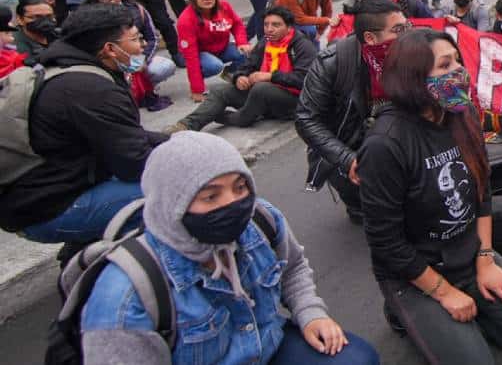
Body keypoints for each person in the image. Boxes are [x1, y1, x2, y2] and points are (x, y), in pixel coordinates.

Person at [80, 131, 380, 365]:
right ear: (174, 205)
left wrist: (311, 312)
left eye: (240, 187)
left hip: (265, 346)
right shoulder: (125, 299)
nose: (233, 204)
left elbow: (293, 268)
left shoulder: (260, 220)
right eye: (211, 197)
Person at [359, 28, 502, 361]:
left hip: (468, 254)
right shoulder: (384, 145)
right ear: (413, 79)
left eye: (458, 61)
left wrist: (486, 259)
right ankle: (402, 309)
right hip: (415, 269)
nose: (459, 71)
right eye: (445, 66)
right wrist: (444, 293)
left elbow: (482, 189)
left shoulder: (463, 114)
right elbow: (385, 242)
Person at [0, 4, 168, 243]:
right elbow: (134, 162)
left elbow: (126, 136)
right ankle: (117, 261)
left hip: (36, 197)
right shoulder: (91, 89)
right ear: (110, 49)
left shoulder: (65, 65)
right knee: (182, 190)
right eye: (136, 38)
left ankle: (85, 242)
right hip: (48, 209)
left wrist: (177, 142)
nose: (142, 45)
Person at [295, 0, 408, 224]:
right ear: (370, 37)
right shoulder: (333, 62)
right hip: (349, 146)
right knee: (373, 215)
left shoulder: (409, 54)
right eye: (398, 30)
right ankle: (358, 202)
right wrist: (348, 159)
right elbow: (306, 119)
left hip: (394, 139)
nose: (405, 35)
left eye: (407, 27)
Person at [168, 7, 316, 133]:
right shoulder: (266, 41)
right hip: (261, 98)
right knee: (221, 90)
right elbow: (247, 65)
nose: (269, 29)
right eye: (266, 25)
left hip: (290, 101)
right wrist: (239, 77)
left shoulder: (302, 45)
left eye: (276, 25)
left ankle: (236, 118)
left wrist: (270, 76)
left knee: (261, 88)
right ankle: (185, 125)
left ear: (289, 27)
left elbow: (305, 80)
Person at [85, 0, 175, 111]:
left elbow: (153, 38)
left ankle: (143, 89)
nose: (113, 1)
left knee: (164, 66)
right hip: (106, 63)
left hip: (134, 58)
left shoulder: (136, 10)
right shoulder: (87, 17)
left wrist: (142, 59)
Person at [177, 0, 251, 104]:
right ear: (192, 0)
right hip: (200, 53)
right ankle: (200, 79)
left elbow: (237, 25)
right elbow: (192, 58)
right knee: (215, 66)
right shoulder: (186, 20)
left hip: (221, 47)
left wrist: (242, 42)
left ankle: (233, 74)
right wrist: (197, 90)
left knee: (245, 52)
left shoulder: (224, 6)